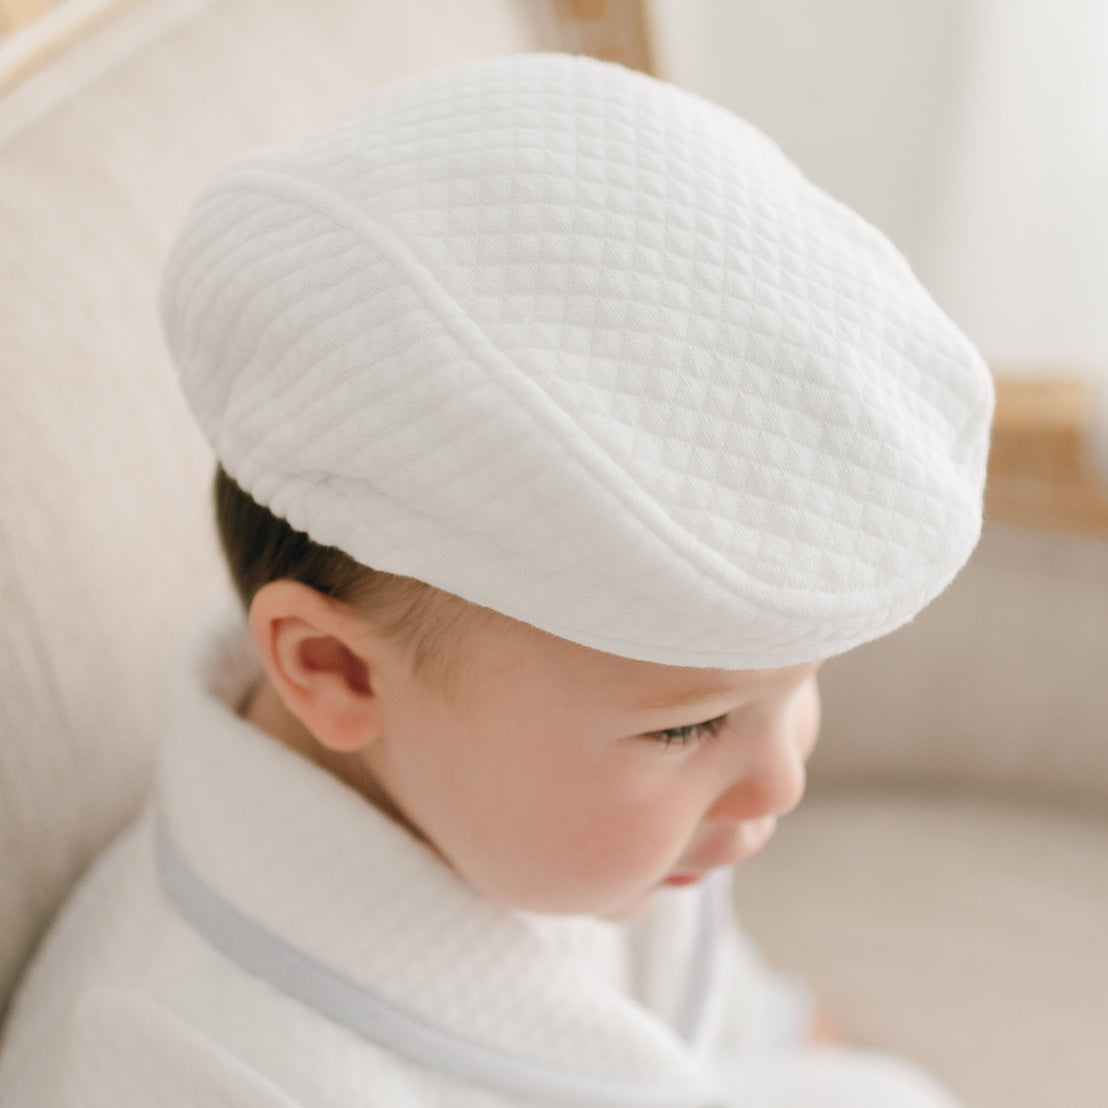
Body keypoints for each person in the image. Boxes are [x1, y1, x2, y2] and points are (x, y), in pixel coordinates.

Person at [0, 53, 993, 1107]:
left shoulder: (572, 798)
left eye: (798, 686)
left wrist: (790, 1034)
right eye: (687, 727)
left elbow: (705, 994)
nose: (782, 776)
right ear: (336, 669)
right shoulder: (186, 1062)